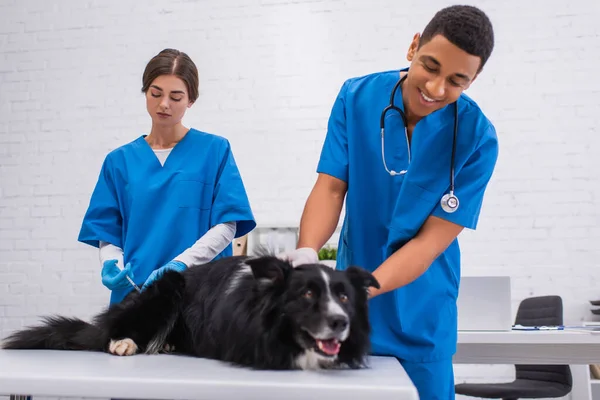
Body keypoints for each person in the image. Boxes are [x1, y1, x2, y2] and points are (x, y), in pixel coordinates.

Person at [280, 5, 498, 400]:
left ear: (474, 79)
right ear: (413, 46)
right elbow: (330, 188)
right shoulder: (356, 97)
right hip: (347, 319)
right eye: (430, 66)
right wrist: (307, 252)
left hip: (422, 314)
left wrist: (354, 292)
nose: (435, 88)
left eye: (456, 81)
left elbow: (428, 243)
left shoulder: (478, 137)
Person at [78, 48, 256, 305]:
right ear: (145, 93)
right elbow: (108, 232)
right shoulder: (119, 161)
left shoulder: (214, 151)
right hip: (136, 293)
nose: (164, 104)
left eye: (176, 96)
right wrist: (111, 264)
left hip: (199, 294)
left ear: (191, 100)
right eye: (156, 93)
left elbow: (228, 224)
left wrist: (180, 265)